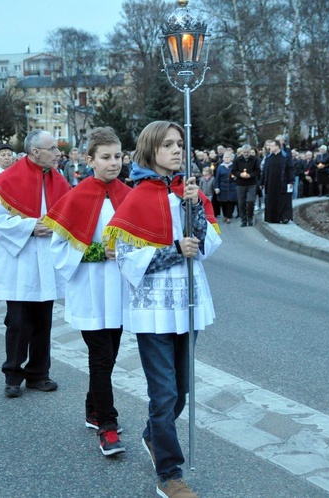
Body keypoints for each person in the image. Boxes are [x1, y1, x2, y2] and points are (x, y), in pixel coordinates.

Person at [104, 121, 221, 498]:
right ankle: (169, 474)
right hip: (155, 307)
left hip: (188, 302)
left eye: (180, 144)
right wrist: (173, 251)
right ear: (151, 149)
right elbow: (126, 259)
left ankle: (153, 435)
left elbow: (208, 244)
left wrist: (194, 207)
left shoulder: (187, 191)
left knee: (182, 392)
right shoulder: (136, 197)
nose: (176, 150)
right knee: (165, 393)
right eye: (168, 144)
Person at [44, 127, 131, 457]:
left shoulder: (128, 193)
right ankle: (108, 426)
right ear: (89, 160)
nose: (113, 163)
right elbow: (58, 248)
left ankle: (93, 409)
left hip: (119, 291)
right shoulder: (76, 196)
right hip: (90, 289)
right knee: (101, 357)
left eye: (118, 156)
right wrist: (97, 252)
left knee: (110, 354)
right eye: (106, 157)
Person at [0, 130, 71, 398]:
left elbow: (68, 212)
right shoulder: (8, 180)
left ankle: (38, 374)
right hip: (20, 261)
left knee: (43, 320)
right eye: (52, 148)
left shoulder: (58, 179)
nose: (58, 154)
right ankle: (12, 374)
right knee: (19, 321)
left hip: (46, 258)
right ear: (35, 152)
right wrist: (30, 226)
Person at [262, 139, 295, 224]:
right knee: (271, 200)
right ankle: (272, 218)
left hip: (282, 181)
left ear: (277, 146)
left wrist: (291, 181)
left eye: (272, 146)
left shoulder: (285, 156)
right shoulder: (268, 157)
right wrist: (262, 182)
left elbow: (290, 169)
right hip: (270, 182)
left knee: (283, 200)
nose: (270, 148)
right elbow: (264, 170)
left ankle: (284, 217)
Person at [233, 144, 260, 227]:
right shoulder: (237, 160)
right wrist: (240, 174)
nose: (246, 154)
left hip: (251, 183)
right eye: (244, 152)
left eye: (247, 152)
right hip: (240, 184)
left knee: (250, 201)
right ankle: (243, 219)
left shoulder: (255, 159)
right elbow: (234, 171)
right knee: (241, 203)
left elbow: (258, 171)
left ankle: (250, 218)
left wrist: (250, 175)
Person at [214, 151, 237, 223]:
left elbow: (236, 175)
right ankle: (225, 215)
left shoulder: (234, 166)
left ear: (231, 158)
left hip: (232, 187)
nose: (227, 159)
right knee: (223, 202)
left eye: (228, 157)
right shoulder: (220, 167)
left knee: (231, 202)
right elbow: (217, 178)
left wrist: (235, 177)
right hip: (223, 187)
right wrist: (217, 187)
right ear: (223, 158)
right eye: (226, 157)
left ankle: (229, 216)